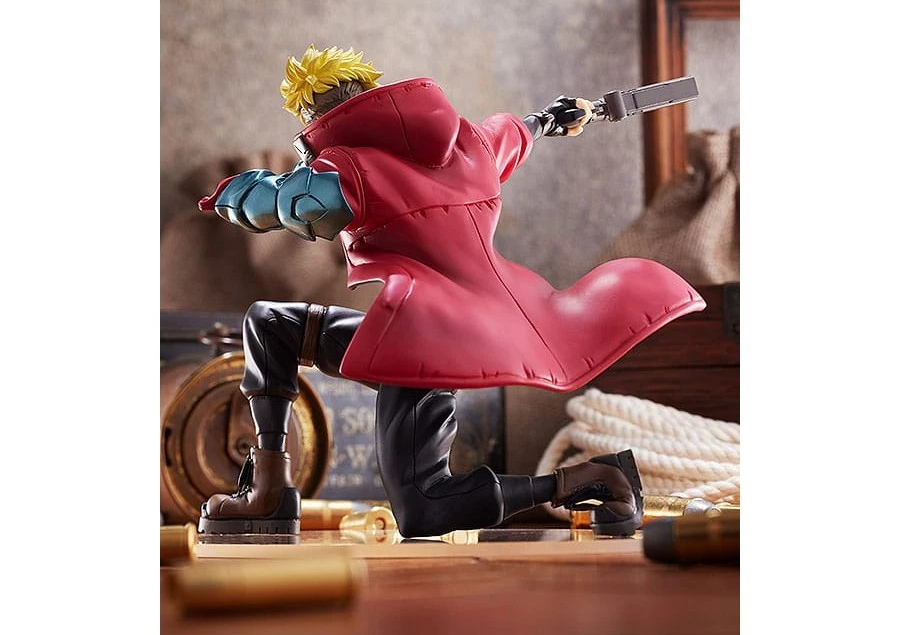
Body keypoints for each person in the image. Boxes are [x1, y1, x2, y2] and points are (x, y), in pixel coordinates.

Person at [196, 44, 705, 538]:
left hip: (428, 340)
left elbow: (293, 204)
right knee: (271, 324)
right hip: (435, 327)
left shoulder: (350, 171)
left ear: (318, 113)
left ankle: (593, 480)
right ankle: (269, 490)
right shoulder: (468, 143)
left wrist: (229, 194)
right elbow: (517, 132)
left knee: (425, 508)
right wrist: (553, 118)